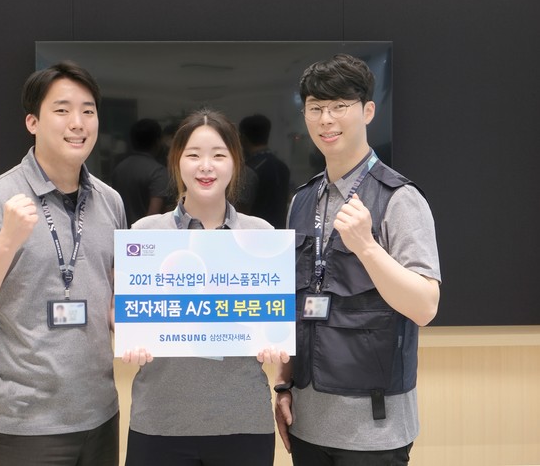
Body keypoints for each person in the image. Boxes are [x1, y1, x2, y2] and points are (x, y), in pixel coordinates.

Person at [0, 61, 126, 466]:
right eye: (62, 110)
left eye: (88, 111)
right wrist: (7, 240)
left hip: (100, 415)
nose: (77, 123)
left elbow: (117, 301)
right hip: (25, 425)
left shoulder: (110, 201)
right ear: (32, 122)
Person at [273, 54, 441, 465]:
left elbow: (425, 306)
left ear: (367, 111)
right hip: (308, 421)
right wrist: (283, 385)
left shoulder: (400, 199)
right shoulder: (301, 200)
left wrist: (367, 246)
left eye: (339, 106)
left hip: (374, 429)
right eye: (316, 108)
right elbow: (294, 300)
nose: (326, 119)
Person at [121, 108, 289, 466]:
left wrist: (274, 339)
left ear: (236, 162)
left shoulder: (261, 236)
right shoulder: (146, 234)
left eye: (219, 155)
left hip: (242, 422)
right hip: (160, 421)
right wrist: (129, 336)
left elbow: (272, 319)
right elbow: (128, 313)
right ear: (176, 161)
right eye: (194, 155)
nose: (206, 166)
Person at [112, 118, 171, 225]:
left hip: (121, 230)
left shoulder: (119, 168)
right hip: (145, 233)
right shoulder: (157, 172)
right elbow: (153, 215)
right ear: (157, 142)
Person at [239, 114, 291, 228]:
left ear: (243, 138)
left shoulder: (249, 169)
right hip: (280, 231)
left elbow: (241, 211)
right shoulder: (283, 167)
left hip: (255, 233)